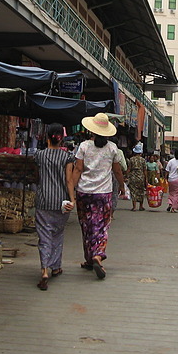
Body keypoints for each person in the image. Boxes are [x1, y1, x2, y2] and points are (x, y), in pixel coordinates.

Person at [69, 113, 125, 280]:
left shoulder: (84, 146)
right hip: (104, 194)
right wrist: (122, 186)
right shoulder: (112, 148)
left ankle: (89, 258)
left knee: (86, 225)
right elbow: (117, 170)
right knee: (101, 226)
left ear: (91, 130)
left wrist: (71, 189)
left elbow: (78, 169)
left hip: (84, 192)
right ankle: (97, 255)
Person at [33, 123, 75, 290]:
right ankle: (56, 267)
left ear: (47, 137)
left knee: (44, 235)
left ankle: (44, 269)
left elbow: (36, 176)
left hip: (43, 200)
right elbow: (69, 180)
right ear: (61, 139)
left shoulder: (39, 155)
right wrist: (72, 199)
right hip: (61, 202)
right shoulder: (67, 157)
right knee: (57, 234)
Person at [127, 143, 148, 211]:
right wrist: (146, 179)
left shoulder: (131, 159)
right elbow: (145, 170)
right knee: (141, 191)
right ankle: (141, 206)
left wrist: (125, 176)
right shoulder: (143, 160)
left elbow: (129, 169)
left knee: (133, 191)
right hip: (141, 177)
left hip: (133, 177)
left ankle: (134, 207)